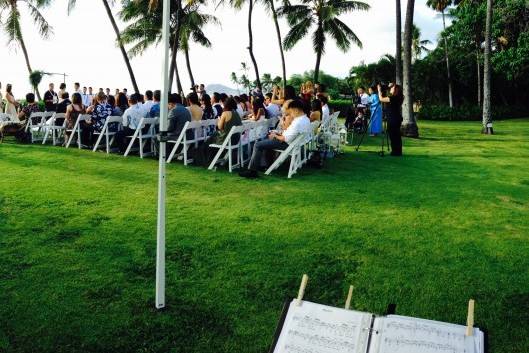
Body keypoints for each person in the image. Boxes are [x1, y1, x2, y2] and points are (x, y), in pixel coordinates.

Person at [240, 99, 311, 178]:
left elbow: (285, 139)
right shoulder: (306, 119)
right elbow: (289, 134)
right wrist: (278, 134)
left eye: (291, 111)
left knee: (258, 144)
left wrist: (275, 136)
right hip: (292, 143)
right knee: (265, 140)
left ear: (296, 110)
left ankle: (252, 171)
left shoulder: (298, 122)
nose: (291, 113)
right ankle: (264, 164)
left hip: (286, 144)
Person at [378, 83, 403, 156]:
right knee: (396, 135)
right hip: (396, 117)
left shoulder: (393, 98)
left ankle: (395, 152)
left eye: (392, 88)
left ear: (395, 90)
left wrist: (379, 91)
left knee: (393, 135)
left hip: (393, 118)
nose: (390, 89)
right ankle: (397, 151)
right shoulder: (398, 97)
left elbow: (381, 99)